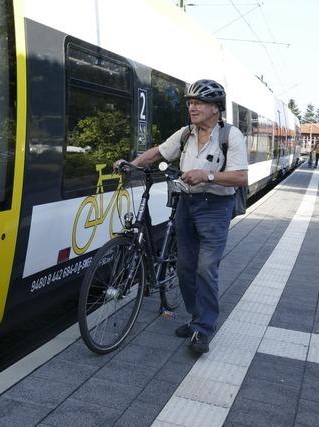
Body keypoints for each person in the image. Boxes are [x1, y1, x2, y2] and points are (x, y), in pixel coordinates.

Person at [114, 79, 248, 354]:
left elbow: (241, 177)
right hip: (186, 203)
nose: (192, 107)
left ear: (215, 108)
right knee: (186, 267)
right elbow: (160, 152)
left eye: (199, 103)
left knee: (205, 268)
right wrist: (133, 164)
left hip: (215, 207)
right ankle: (196, 318)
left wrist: (207, 175)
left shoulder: (230, 136)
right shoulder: (186, 133)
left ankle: (204, 328)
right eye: (190, 103)